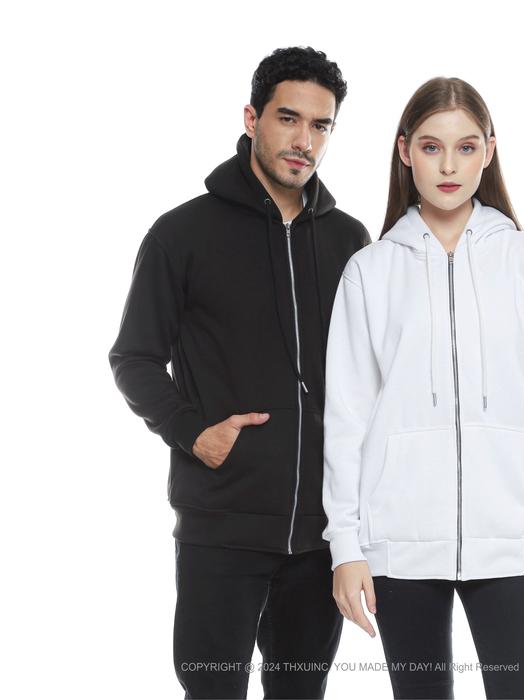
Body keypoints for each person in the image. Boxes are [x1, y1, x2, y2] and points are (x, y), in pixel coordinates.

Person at [108, 46, 371, 699]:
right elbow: (134, 356)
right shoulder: (182, 234)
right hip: (221, 526)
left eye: (320, 125)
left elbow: (371, 375)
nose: (304, 140)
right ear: (252, 118)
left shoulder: (349, 242)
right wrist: (192, 432)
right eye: (288, 118)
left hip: (322, 537)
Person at [322, 77, 524, 699]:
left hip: (512, 543)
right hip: (399, 545)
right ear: (404, 151)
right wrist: (346, 547)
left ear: (488, 152)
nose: (448, 166)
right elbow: (347, 418)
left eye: (466, 148)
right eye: (431, 147)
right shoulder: (369, 271)